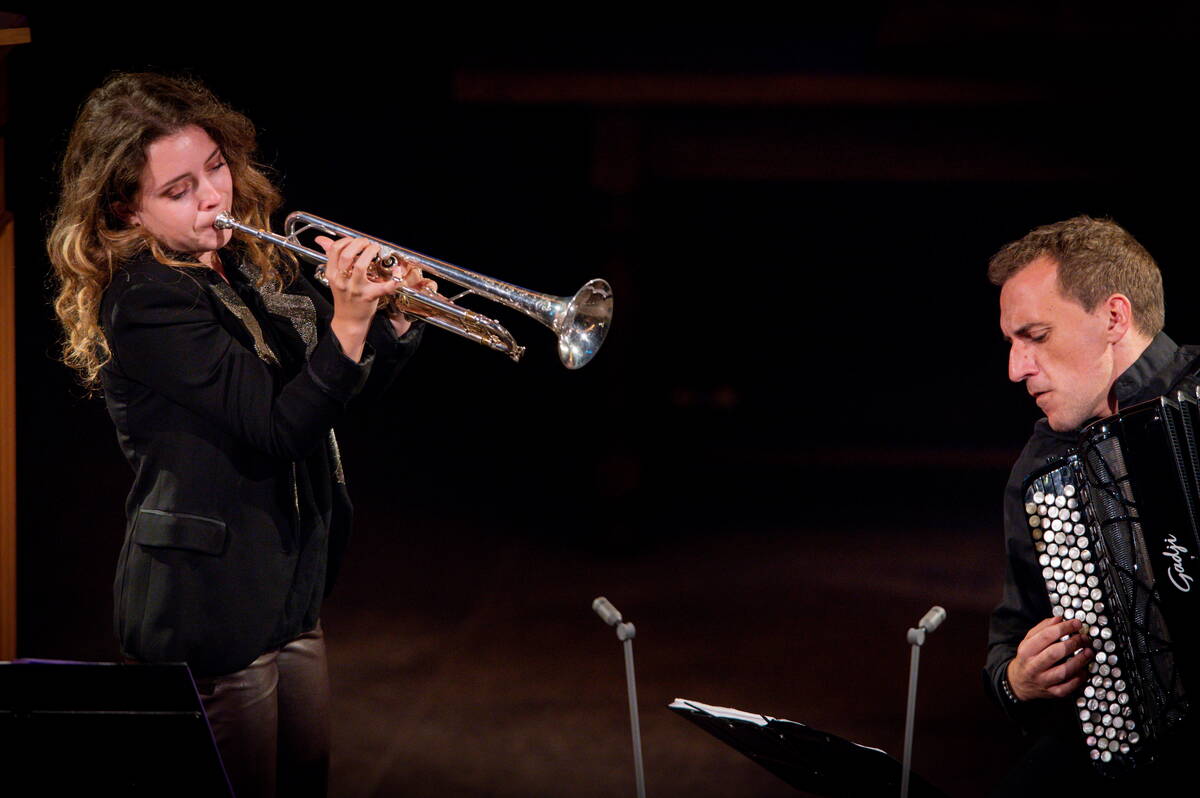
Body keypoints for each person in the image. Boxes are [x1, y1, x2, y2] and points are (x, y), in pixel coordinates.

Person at [47, 72, 432, 798]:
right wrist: (348, 322)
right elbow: (278, 428)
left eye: (215, 168)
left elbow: (327, 396)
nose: (214, 197)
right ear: (128, 209)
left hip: (286, 587)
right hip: (208, 603)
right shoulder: (146, 302)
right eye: (179, 189)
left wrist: (395, 322)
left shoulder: (244, 264)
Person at [983, 216, 1200, 794]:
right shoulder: (1044, 466)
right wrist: (1018, 679)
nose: (1016, 368)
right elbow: (1009, 640)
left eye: (1035, 335)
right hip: (1126, 755)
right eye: (1011, 343)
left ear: (1113, 317)